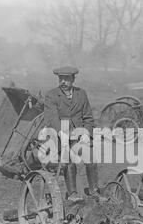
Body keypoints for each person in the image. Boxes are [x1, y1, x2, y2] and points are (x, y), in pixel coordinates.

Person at [43, 66, 101, 202]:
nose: (63, 82)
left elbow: (88, 117)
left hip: (77, 135)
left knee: (91, 158)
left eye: (66, 79)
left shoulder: (81, 94)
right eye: (61, 79)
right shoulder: (51, 95)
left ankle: (94, 191)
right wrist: (60, 132)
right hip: (58, 136)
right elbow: (51, 118)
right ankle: (72, 194)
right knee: (68, 160)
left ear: (73, 79)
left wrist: (87, 133)